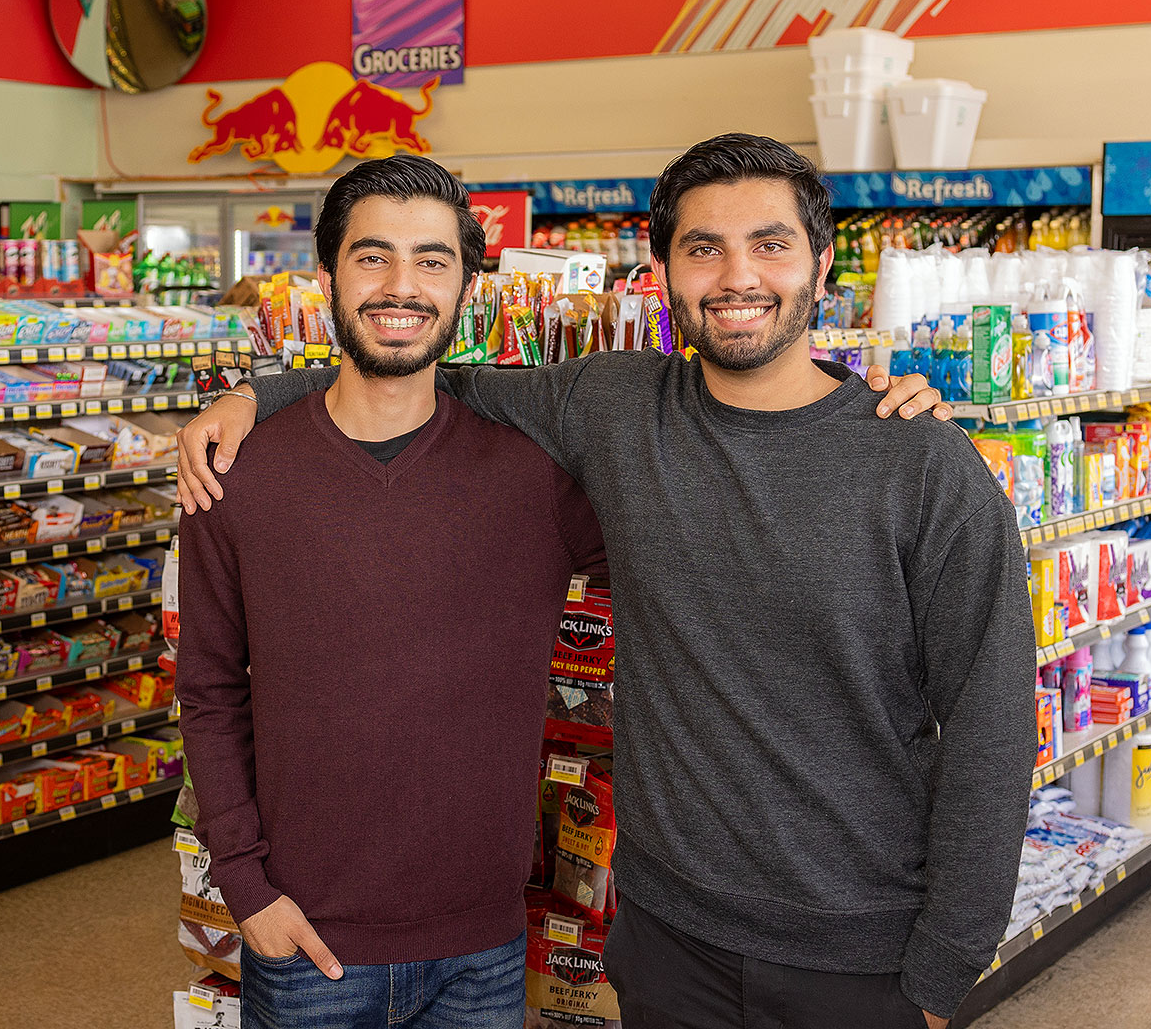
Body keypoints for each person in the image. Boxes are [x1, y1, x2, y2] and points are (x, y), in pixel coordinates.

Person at [175, 149, 956, 1029]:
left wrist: (863, 414)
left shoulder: (534, 472)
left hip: (487, 942)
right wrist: (243, 884)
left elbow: (713, 537)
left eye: (433, 261)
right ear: (326, 277)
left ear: (469, 285)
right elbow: (206, 690)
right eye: (372, 258)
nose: (402, 284)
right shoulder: (235, 474)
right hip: (306, 936)